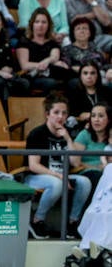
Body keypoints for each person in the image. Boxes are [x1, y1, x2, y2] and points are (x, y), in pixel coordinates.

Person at [25, 93, 92, 239]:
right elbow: (33, 166)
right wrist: (60, 176)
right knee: (57, 184)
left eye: (64, 113)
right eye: (56, 112)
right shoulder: (37, 134)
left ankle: (72, 223)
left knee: (85, 182)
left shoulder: (66, 134)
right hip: (36, 177)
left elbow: (75, 163)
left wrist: (68, 139)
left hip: (61, 177)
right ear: (47, 114)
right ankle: (37, 220)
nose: (60, 117)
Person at [16, 7, 72, 93]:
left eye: (44, 22)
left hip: (51, 74)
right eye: (37, 22)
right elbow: (25, 65)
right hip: (32, 76)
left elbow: (55, 57)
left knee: (72, 80)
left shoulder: (52, 43)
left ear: (48, 25)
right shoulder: (24, 42)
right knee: (51, 83)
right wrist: (49, 64)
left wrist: (47, 61)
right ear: (32, 24)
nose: (40, 25)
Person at [72, 103, 112, 195]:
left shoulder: (111, 137)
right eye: (93, 116)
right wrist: (96, 167)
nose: (96, 120)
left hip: (108, 173)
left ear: (109, 119)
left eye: (101, 116)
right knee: (98, 177)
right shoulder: (84, 134)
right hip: (86, 173)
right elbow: (76, 163)